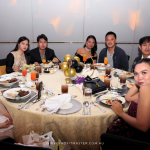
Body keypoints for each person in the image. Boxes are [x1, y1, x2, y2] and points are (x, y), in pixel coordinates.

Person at [107, 58, 150, 143]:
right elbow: (128, 97)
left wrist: (121, 113)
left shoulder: (145, 90)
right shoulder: (145, 87)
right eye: (136, 73)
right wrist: (139, 82)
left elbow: (143, 127)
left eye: (144, 72)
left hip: (138, 139)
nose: (139, 76)